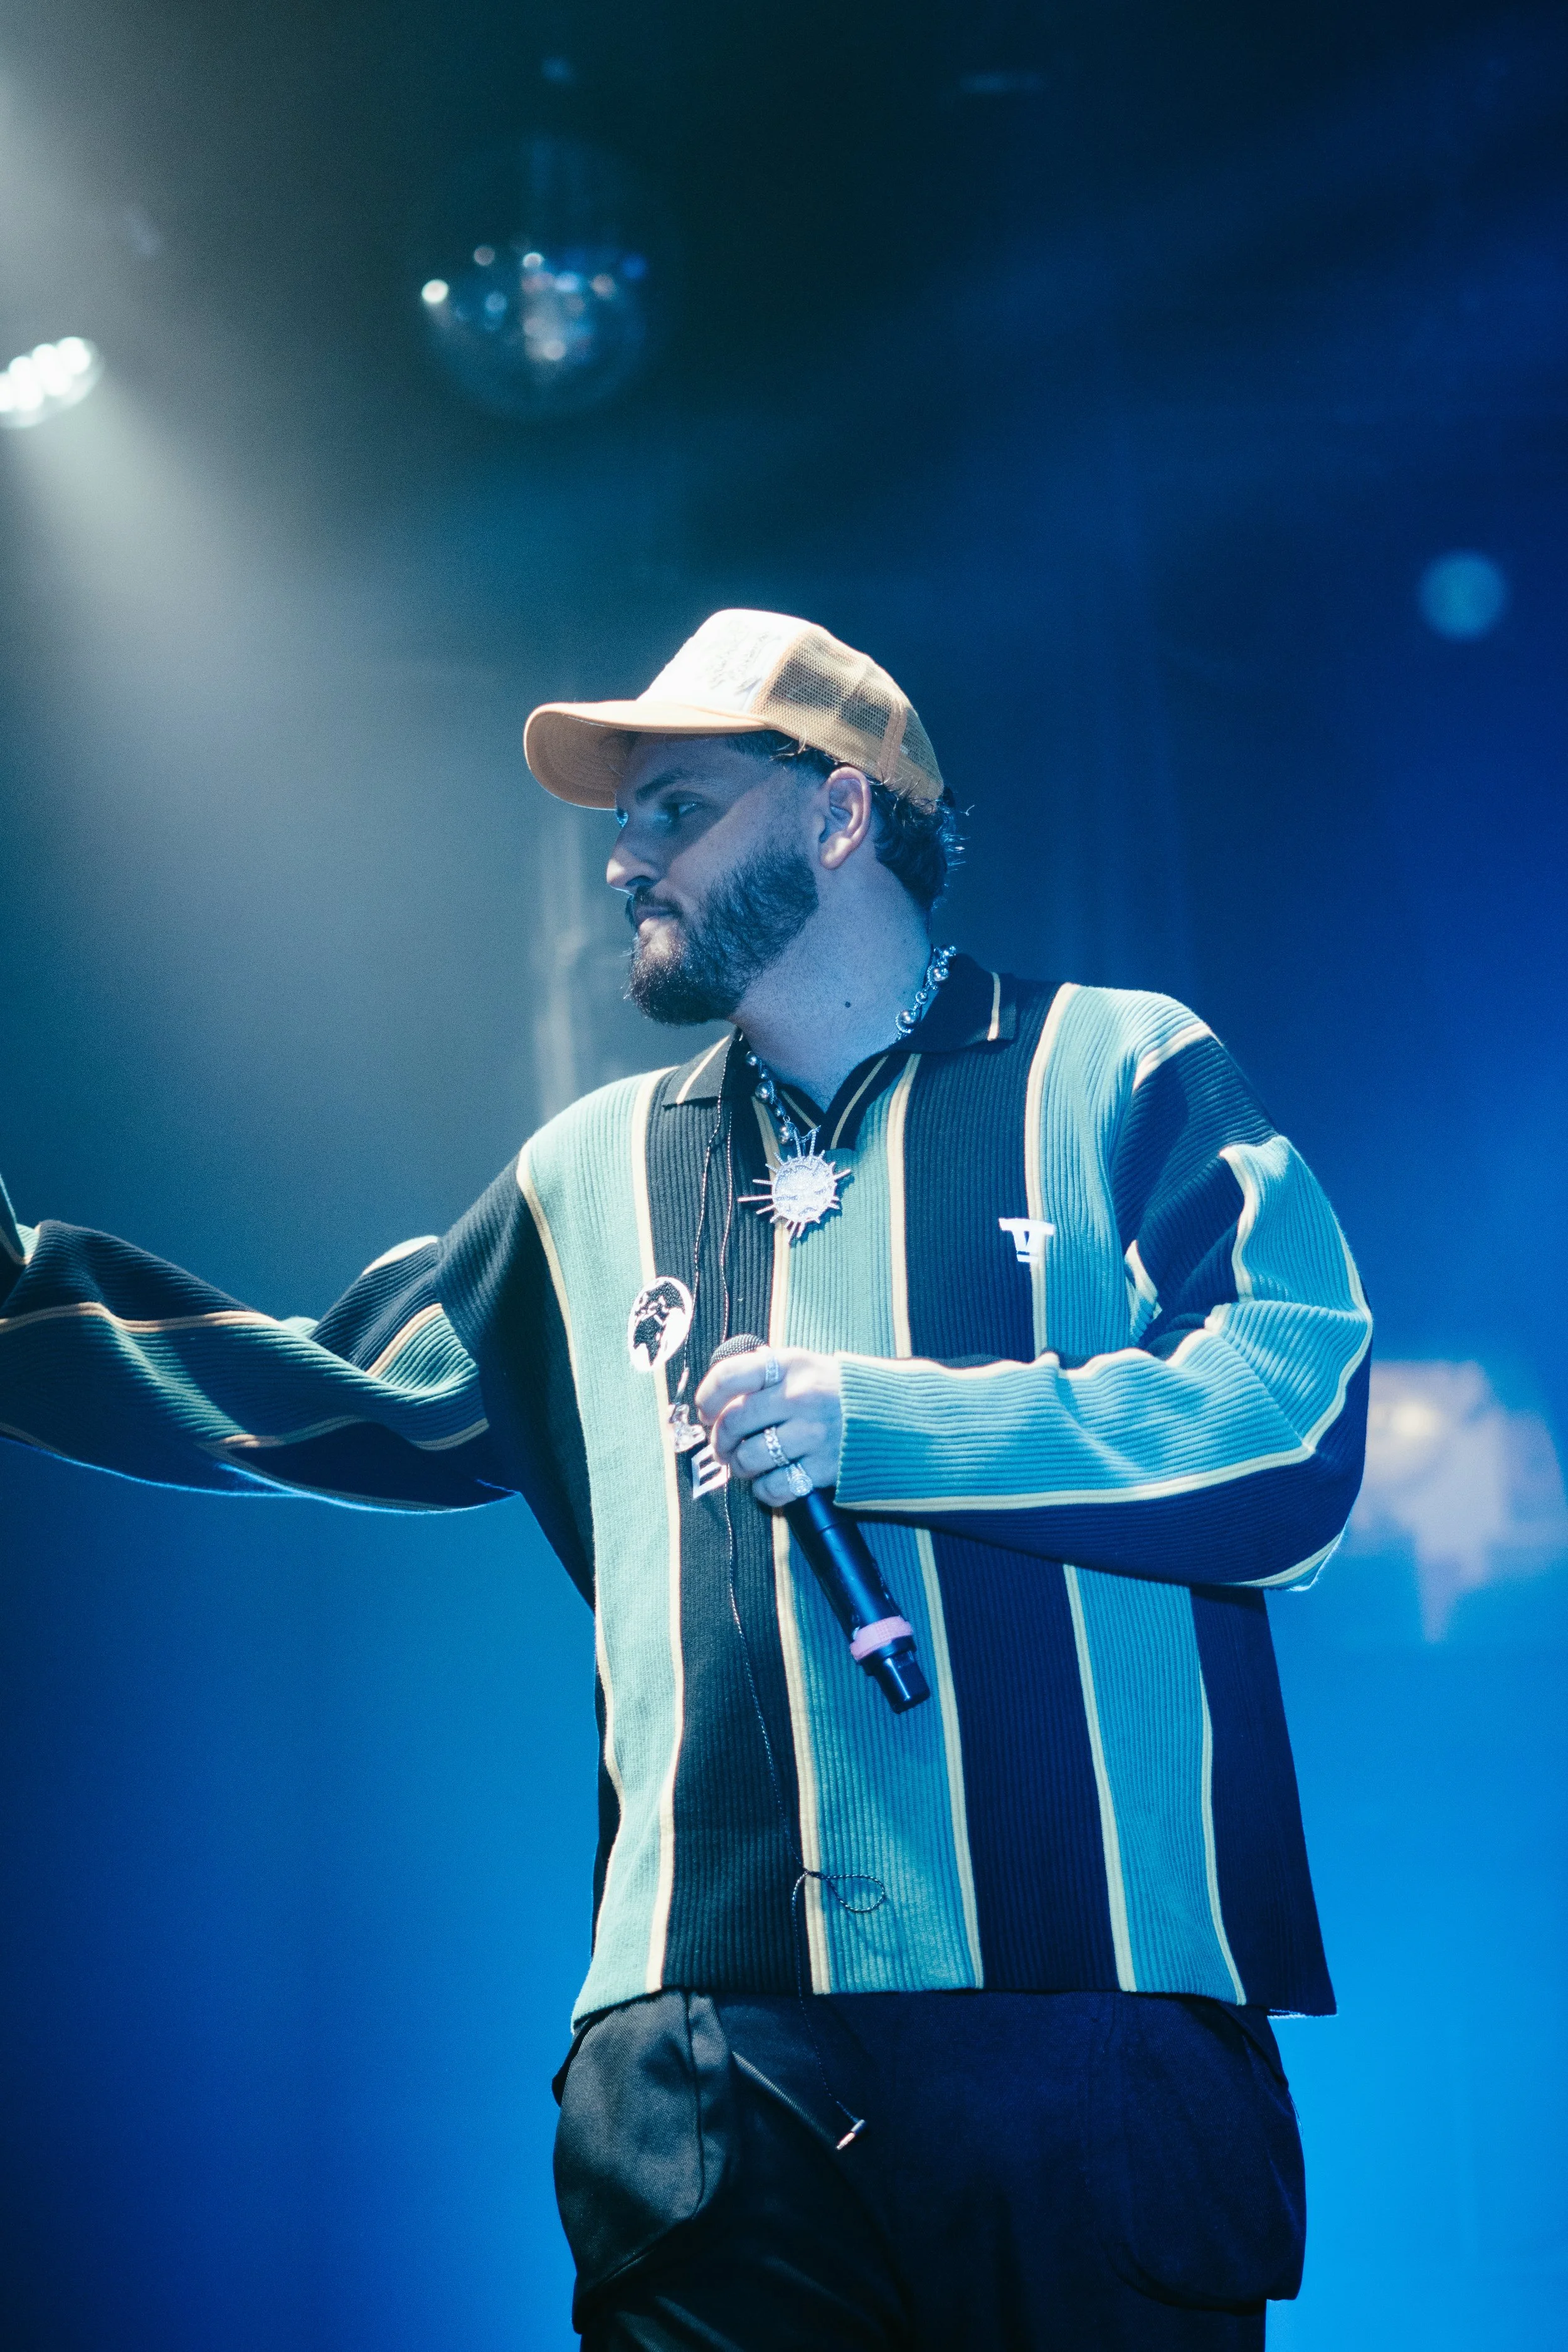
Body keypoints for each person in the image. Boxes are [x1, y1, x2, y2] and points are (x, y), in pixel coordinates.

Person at [0, 609, 1371, 2349]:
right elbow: (341, 1397)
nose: (620, 855)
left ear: (839, 811)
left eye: (678, 807)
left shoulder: (1119, 1065)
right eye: (620, 818)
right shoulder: (587, 1170)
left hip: (1085, 2032)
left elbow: (1297, 1420)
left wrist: (893, 1423)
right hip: (700, 2065)